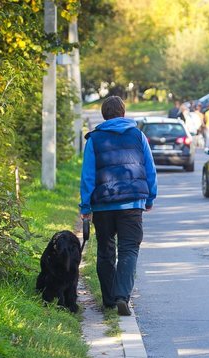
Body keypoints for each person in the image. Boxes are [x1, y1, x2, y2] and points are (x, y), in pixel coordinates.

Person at [79, 96, 158, 317]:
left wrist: (85, 206)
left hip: (103, 205)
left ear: (104, 115)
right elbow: (150, 169)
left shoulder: (94, 139)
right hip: (132, 203)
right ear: (123, 113)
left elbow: (88, 175)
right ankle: (122, 296)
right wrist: (150, 197)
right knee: (129, 249)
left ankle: (109, 300)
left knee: (105, 249)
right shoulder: (138, 135)